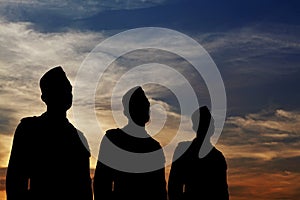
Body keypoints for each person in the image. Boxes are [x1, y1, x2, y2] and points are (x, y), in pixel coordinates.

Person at [6, 66, 93, 200]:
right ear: (45, 97)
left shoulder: (79, 137)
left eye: (69, 89)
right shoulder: (29, 129)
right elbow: (15, 181)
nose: (67, 93)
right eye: (59, 89)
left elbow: (85, 188)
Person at [93, 86, 167, 200]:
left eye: (146, 103)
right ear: (127, 111)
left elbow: (160, 191)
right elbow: (101, 183)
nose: (145, 107)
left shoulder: (155, 147)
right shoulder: (113, 139)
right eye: (140, 104)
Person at [168, 106, 229, 200]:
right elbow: (174, 186)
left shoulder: (218, 157)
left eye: (210, 122)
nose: (210, 125)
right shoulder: (183, 150)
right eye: (206, 122)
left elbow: (223, 192)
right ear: (195, 126)